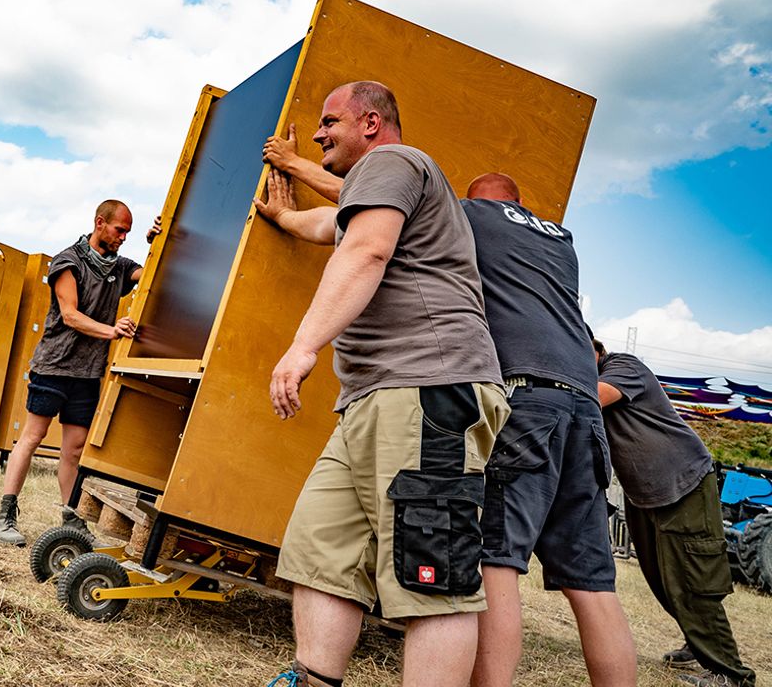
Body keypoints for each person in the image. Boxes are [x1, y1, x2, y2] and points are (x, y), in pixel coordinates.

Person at [257, 81, 509, 687]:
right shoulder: (372, 190)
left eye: (329, 121)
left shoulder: (395, 161)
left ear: (371, 123)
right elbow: (331, 226)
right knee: (322, 553)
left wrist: (303, 345)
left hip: (430, 389)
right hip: (374, 398)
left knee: (432, 574)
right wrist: (282, 214)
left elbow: (365, 250)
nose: (318, 133)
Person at [458, 173, 636, 686]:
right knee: (593, 585)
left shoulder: (477, 217)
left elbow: (386, 198)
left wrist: (291, 165)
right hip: (585, 410)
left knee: (497, 560)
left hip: (531, 401)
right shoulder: (560, 239)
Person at [0, 201, 159, 547]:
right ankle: (5, 515)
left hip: (87, 373)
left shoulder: (121, 266)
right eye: (119, 230)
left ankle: (73, 520)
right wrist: (112, 330)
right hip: (54, 366)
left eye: (128, 232)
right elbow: (70, 315)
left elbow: (154, 273)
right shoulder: (67, 260)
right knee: (33, 437)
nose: (123, 237)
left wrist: (155, 242)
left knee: (75, 450)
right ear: (100, 223)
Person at [595, 339, 757, 687]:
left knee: (693, 579)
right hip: (646, 494)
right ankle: (699, 645)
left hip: (684, 484)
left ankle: (731, 674)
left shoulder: (623, 366)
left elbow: (593, 398)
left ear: (594, 348)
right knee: (663, 580)